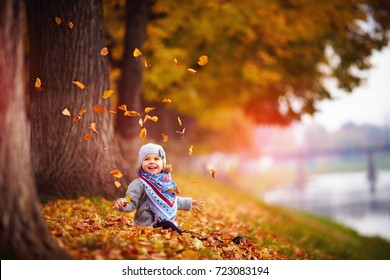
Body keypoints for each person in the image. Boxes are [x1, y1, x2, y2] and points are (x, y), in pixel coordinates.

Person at [113, 143, 204, 234]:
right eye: (147, 159)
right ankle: (182, 234)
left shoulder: (166, 182)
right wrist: (123, 203)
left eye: (156, 159)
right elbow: (131, 202)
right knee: (168, 225)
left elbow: (171, 201)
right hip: (147, 224)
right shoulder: (139, 183)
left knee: (169, 226)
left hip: (164, 222)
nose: (152, 162)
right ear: (141, 164)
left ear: (163, 163)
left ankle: (180, 233)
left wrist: (188, 203)